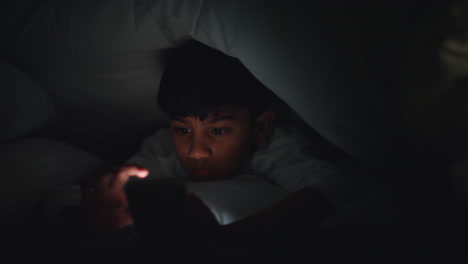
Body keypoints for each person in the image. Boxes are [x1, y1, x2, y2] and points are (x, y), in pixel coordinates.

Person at [82, 39, 357, 251]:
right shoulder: (162, 148)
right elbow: (118, 189)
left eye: (218, 130)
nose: (196, 150)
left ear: (259, 128)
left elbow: (333, 185)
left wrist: (232, 240)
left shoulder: (276, 145)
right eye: (183, 129)